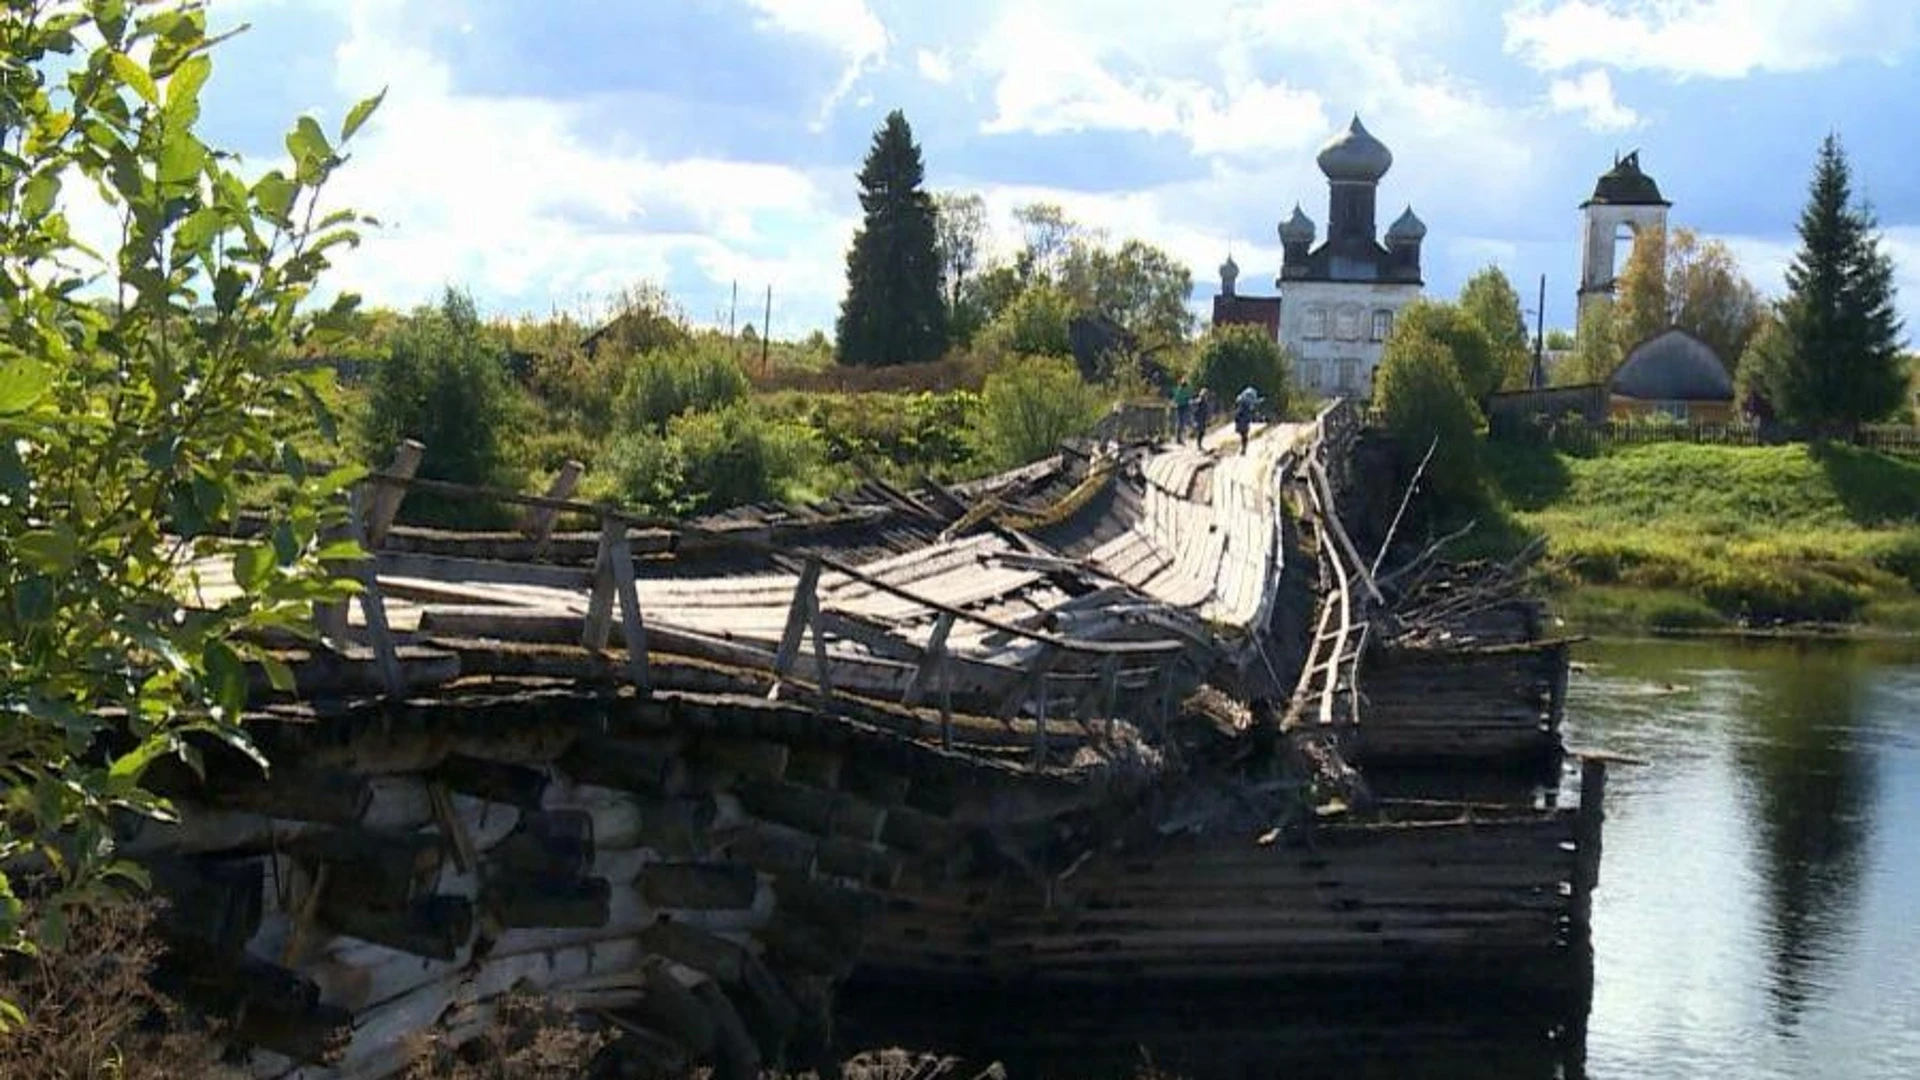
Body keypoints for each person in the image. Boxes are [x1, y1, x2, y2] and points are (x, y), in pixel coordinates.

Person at [1233, 386, 1260, 455]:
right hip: (1244, 420)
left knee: (1243, 435)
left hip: (1242, 420)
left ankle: (1243, 449)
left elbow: (1237, 411)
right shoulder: (1247, 403)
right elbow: (1251, 411)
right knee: (1244, 435)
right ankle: (1243, 449)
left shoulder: (1241, 401)